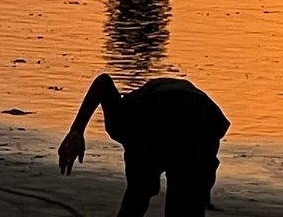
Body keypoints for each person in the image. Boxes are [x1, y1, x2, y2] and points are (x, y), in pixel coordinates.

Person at [58, 73, 228, 217]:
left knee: (139, 194)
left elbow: (103, 81)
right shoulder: (125, 116)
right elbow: (103, 82)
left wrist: (77, 130)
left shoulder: (124, 121)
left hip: (162, 113)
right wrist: (77, 130)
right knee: (186, 200)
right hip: (203, 113)